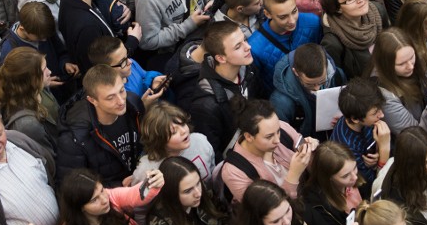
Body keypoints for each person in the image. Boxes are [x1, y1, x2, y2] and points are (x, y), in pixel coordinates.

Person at [57, 65, 153, 187]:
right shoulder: (75, 137)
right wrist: (119, 187)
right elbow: (72, 188)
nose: (121, 101)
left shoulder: (133, 104)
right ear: (92, 101)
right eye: (110, 97)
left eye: (122, 91)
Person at [188, 21, 265, 163]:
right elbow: (213, 155)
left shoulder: (248, 69)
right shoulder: (206, 104)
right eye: (238, 46)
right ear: (220, 58)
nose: (248, 47)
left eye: (245, 40)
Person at [220, 98, 312, 203]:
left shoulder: (280, 127)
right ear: (249, 137)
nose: (277, 140)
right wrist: (293, 175)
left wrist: (311, 151)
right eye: (269, 137)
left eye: (278, 132)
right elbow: (266, 209)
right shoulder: (234, 172)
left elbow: (303, 148)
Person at [369, 28, 427, 136]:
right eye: (401, 64)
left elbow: (420, 84)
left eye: (412, 57)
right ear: (386, 65)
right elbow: (415, 136)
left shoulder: (409, 66)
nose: (410, 66)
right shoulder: (386, 98)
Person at [249, 0, 322, 88]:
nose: (292, 21)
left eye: (294, 11)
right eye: (283, 17)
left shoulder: (313, 23)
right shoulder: (255, 47)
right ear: (267, 14)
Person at [0, 2, 78, 101]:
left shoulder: (43, 30)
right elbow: (14, 87)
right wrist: (43, 85)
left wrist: (65, 63)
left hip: (63, 91)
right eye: (40, 37)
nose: (44, 40)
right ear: (23, 29)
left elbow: (61, 51)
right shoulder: (10, 49)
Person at [320, 0, 389, 79]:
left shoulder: (378, 11)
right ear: (337, 8)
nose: (361, 0)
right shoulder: (332, 43)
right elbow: (338, 81)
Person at [0, 47, 61, 154]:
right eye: (44, 70)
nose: (50, 72)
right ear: (31, 79)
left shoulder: (38, 88)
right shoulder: (27, 125)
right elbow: (47, 158)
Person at [270, 43, 345, 136]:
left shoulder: (338, 76)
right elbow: (282, 137)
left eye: (322, 82)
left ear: (327, 67)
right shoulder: (281, 102)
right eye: (309, 84)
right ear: (296, 72)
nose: (317, 88)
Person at [131, 103, 216, 185]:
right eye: (174, 132)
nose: (183, 131)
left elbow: (213, 173)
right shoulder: (147, 169)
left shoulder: (200, 140)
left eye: (182, 124)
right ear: (159, 140)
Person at [330, 77, 391, 185]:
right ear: (355, 119)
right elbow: (372, 184)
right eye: (375, 113)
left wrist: (377, 151)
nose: (382, 115)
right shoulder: (348, 148)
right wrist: (384, 149)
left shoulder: (365, 121)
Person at [299, 140, 363, 225]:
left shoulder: (353, 176)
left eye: (355, 168)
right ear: (328, 178)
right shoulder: (316, 203)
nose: (355, 177)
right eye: (345, 176)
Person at [87, 35, 162, 106]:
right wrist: (142, 106)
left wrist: (153, 80)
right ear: (105, 70)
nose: (130, 62)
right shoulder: (116, 96)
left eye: (127, 55)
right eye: (122, 62)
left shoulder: (129, 64)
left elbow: (145, 75)